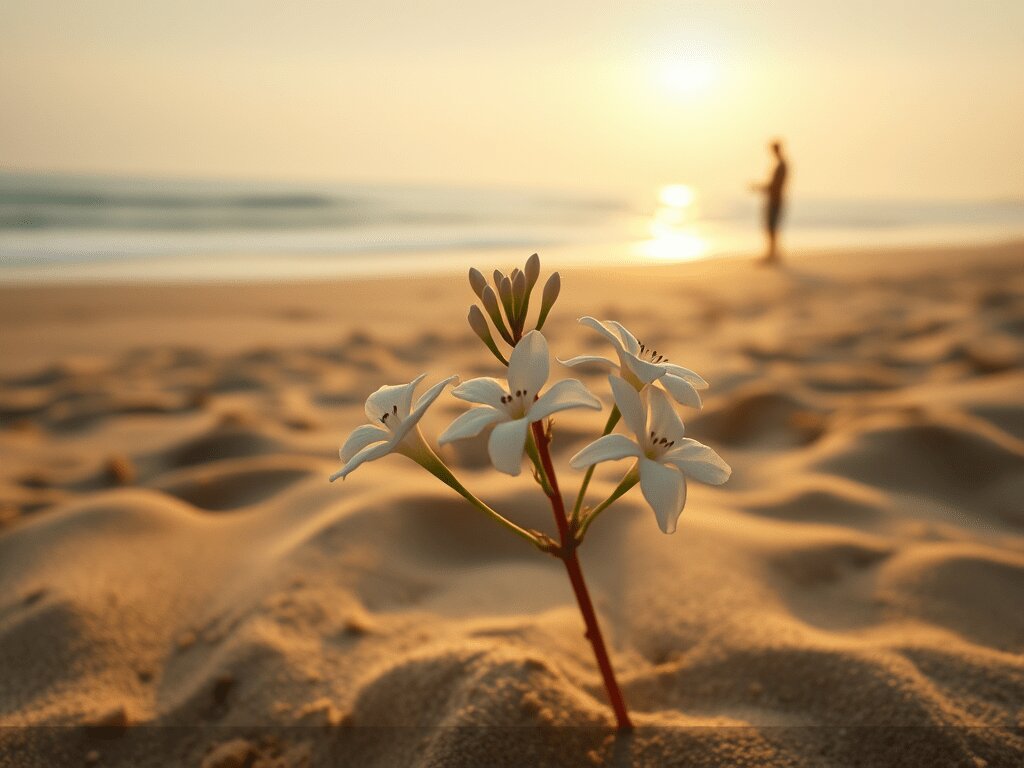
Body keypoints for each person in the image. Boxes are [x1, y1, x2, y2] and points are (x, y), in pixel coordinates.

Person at [750, 140, 788, 265]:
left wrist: (759, 187)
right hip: (774, 198)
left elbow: (775, 185)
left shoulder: (781, 165)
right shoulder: (780, 164)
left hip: (776, 199)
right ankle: (772, 252)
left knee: (772, 226)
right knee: (771, 226)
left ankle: (772, 253)